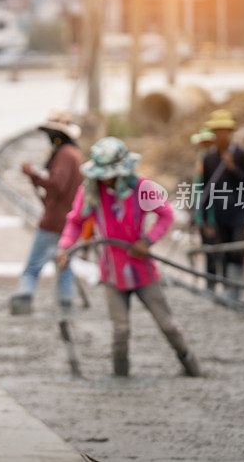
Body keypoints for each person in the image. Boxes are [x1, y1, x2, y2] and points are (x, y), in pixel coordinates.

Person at [56, 137, 200, 378]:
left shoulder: (141, 187)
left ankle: (191, 366)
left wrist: (148, 240)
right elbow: (76, 222)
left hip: (142, 269)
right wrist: (64, 247)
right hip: (112, 272)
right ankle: (120, 376)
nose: (107, 179)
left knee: (168, 325)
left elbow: (166, 215)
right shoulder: (91, 191)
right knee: (121, 329)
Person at [9, 111, 84, 315]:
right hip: (69, 221)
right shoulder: (74, 154)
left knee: (34, 265)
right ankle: (66, 303)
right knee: (64, 265)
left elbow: (56, 185)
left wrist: (32, 174)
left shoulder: (65, 154)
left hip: (54, 221)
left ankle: (24, 298)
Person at [198, 109, 244, 301]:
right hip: (219, 216)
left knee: (238, 252)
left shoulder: (241, 154)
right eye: (217, 131)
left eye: (224, 131)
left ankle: (240, 291)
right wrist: (206, 220)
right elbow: (205, 190)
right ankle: (228, 291)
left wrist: (233, 169)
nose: (221, 135)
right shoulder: (209, 158)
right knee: (222, 253)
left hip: (238, 214)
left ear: (230, 132)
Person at [189, 128, 218, 291]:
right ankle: (211, 287)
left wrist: (209, 220)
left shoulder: (214, 162)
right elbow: (198, 192)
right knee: (210, 254)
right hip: (204, 215)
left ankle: (218, 287)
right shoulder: (203, 161)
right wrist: (198, 217)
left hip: (212, 217)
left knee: (215, 254)